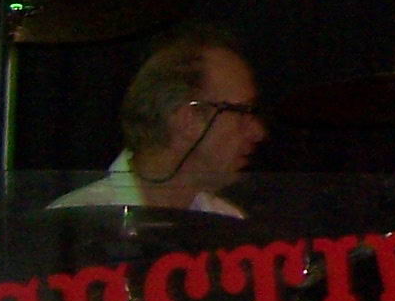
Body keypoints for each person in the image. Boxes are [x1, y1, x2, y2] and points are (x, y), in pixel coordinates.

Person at [49, 27, 266, 216]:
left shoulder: (227, 221)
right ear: (188, 118)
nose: (258, 132)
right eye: (242, 112)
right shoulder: (79, 219)